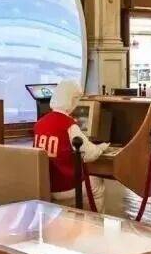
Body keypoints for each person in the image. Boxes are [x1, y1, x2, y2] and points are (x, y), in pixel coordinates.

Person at [33, 80, 110, 212]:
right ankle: (96, 219)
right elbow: (89, 154)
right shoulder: (69, 125)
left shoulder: (39, 123)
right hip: (66, 186)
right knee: (97, 183)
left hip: (46, 185)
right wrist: (101, 148)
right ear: (72, 100)